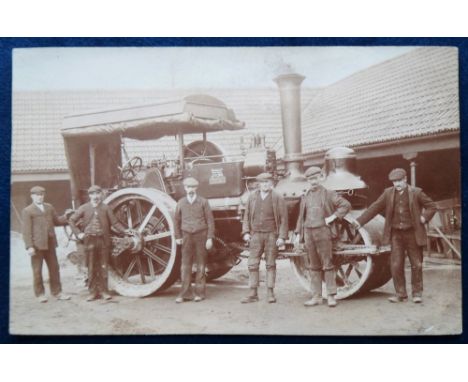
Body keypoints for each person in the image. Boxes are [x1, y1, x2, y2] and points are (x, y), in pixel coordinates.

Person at [354, 168, 436, 303]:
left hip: (413, 234)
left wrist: (424, 218)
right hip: (396, 234)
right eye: (394, 182)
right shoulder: (388, 193)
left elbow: (432, 206)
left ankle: (417, 294)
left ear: (405, 179)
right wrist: (359, 221)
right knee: (396, 265)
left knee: (417, 264)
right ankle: (401, 294)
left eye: (399, 181)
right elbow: (375, 207)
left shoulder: (416, 193)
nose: (396, 184)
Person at [295, 167, 351, 307]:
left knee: (327, 263)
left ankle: (331, 296)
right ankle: (316, 296)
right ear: (307, 181)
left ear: (321, 178)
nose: (313, 181)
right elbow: (301, 217)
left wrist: (332, 217)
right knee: (313, 265)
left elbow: (345, 205)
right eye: (310, 179)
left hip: (323, 232)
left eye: (315, 178)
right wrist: (298, 234)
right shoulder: (305, 195)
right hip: (308, 232)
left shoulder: (329, 194)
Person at [69, 185, 127, 301]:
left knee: (103, 266)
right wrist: (79, 234)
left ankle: (104, 291)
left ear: (101, 194)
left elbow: (115, 223)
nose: (95, 196)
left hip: (103, 241)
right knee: (91, 267)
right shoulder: (84, 208)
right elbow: (71, 220)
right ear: (89, 196)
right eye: (93, 194)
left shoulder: (105, 208)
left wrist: (125, 231)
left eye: (97, 194)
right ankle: (92, 292)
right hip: (89, 241)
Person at [241, 172, 288, 303]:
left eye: (267, 182)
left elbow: (284, 218)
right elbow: (246, 216)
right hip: (255, 235)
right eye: (262, 183)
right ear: (259, 184)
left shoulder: (277, 197)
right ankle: (253, 293)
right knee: (252, 264)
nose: (265, 185)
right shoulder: (252, 197)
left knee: (270, 264)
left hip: (271, 235)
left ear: (271, 183)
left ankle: (270, 292)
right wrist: (245, 232)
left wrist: (282, 237)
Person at [21, 186, 72, 303]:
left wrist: (67, 216)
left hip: (50, 244)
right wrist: (29, 246)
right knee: (37, 270)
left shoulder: (49, 207)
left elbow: (57, 221)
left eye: (42, 195)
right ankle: (40, 294)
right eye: (37, 195)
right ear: (32, 196)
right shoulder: (28, 211)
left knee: (54, 268)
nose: (40, 197)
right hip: (37, 246)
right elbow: (26, 231)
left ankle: (57, 292)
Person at [174, 177, 215, 303]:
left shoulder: (203, 202)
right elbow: (176, 220)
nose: (190, 189)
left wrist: (209, 238)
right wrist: (178, 237)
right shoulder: (180, 202)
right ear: (185, 188)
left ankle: (200, 293)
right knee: (185, 265)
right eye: (188, 187)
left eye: (192, 187)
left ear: (196, 188)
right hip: (186, 236)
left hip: (201, 236)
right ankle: (185, 293)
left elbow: (210, 221)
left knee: (201, 265)